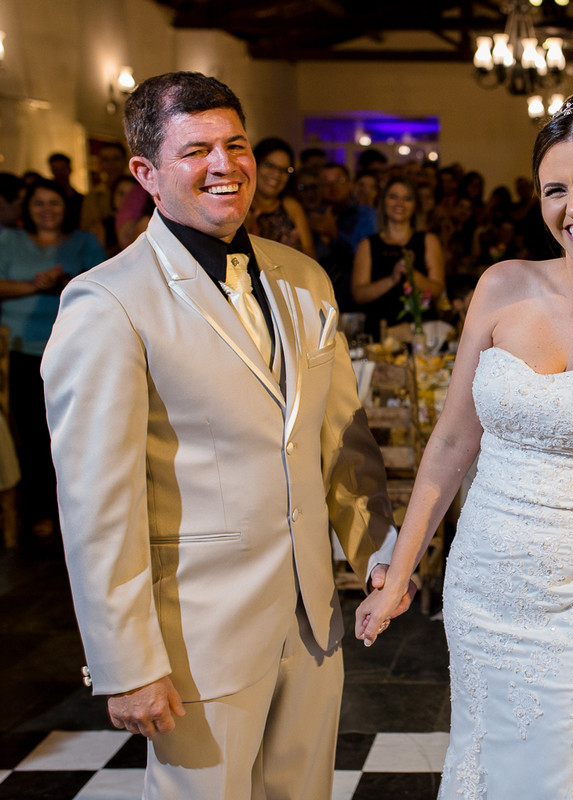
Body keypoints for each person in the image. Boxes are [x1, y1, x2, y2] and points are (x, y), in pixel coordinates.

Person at [41, 71, 408, 799]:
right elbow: (97, 506)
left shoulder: (304, 279)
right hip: (194, 640)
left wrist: (381, 553)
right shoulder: (108, 302)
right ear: (145, 173)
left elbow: (341, 442)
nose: (226, 164)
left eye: (235, 144)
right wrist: (126, 661)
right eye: (197, 149)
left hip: (312, 624)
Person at [355, 88, 573, 798]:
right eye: (556, 188)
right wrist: (400, 571)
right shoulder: (500, 289)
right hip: (484, 587)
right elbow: (453, 442)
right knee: (496, 767)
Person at [0, 178, 104, 545]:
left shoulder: (84, 242)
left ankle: (77, 515)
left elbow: (103, 285)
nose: (47, 210)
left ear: (67, 207)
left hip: (70, 350)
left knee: (71, 434)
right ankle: (39, 511)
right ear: (27, 208)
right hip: (18, 350)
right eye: (39, 203)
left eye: (54, 203)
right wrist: (34, 284)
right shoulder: (8, 240)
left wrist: (63, 281)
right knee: (28, 434)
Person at [352, 176, 446, 338]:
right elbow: (359, 295)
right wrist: (392, 279)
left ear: (415, 204)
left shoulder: (428, 241)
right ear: (384, 202)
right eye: (393, 197)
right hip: (380, 334)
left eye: (407, 198)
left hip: (421, 333)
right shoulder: (368, 244)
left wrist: (411, 274)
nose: (399, 203)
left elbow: (437, 290)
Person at [247, 136, 317, 258]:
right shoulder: (239, 206)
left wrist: (295, 251)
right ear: (254, 164)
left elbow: (311, 259)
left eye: (284, 170)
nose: (277, 174)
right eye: (269, 165)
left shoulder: (291, 207)